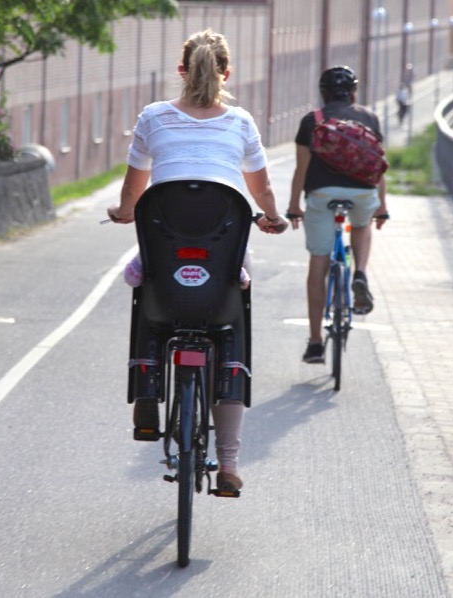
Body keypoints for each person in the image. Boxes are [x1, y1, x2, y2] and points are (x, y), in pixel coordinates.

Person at [107, 29, 287, 492]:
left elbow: (134, 190)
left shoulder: (153, 117)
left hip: (165, 253)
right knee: (231, 330)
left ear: (181, 70)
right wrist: (272, 217)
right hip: (223, 254)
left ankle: (147, 389)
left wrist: (125, 213)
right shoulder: (241, 123)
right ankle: (227, 465)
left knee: (149, 293)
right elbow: (261, 189)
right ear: (226, 72)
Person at [286, 65, 389, 364]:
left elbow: (300, 170)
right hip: (363, 193)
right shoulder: (369, 118)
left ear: (323, 93)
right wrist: (381, 207)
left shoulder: (312, 120)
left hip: (321, 195)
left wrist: (294, 207)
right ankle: (359, 273)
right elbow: (378, 166)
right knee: (361, 224)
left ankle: (316, 342)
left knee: (319, 260)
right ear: (353, 93)